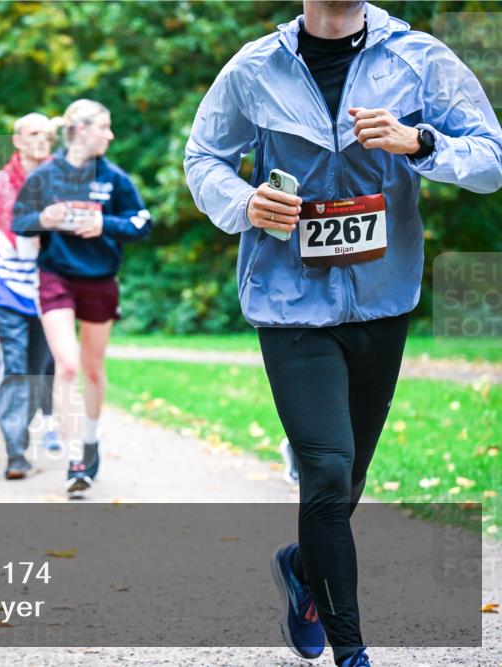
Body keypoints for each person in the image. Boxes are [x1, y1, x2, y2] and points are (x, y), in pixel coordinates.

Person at [184, 2, 502, 666]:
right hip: (288, 299)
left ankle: (304, 570)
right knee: (326, 474)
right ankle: (352, 653)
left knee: (347, 477)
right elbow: (203, 158)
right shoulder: (254, 67)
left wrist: (422, 143)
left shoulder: (419, 59)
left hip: (382, 299)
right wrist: (243, 202)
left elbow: (491, 158)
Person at [12, 99, 151, 494]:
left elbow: (142, 223)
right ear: (79, 130)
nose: (110, 135)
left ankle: (90, 441)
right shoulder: (46, 176)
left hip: (100, 279)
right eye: (104, 127)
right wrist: (44, 219)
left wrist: (103, 223)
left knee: (91, 367)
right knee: (68, 365)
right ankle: (74, 455)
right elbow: (18, 221)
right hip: (56, 276)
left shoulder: (115, 178)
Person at [0, 113, 62, 480]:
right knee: (15, 367)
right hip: (8, 291)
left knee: (40, 372)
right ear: (17, 141)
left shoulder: (61, 177)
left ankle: (22, 431)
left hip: (51, 289)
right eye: (32, 134)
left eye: (46, 135)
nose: (41, 140)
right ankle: (15, 453)